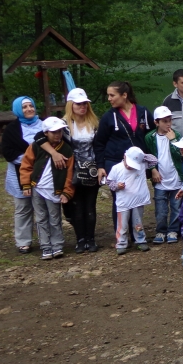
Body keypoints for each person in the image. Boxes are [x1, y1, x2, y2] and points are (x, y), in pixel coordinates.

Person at [94, 82, 153, 225]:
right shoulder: (108, 116)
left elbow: (151, 138)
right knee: (119, 199)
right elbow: (99, 142)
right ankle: (121, 235)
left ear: (124, 95)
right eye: (108, 95)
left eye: (112, 95)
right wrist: (100, 166)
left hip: (137, 164)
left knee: (136, 197)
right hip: (115, 163)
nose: (109, 98)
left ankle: (136, 234)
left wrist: (152, 166)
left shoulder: (143, 112)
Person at [19, 117, 75, 260]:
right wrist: (26, 184)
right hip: (37, 188)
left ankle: (57, 245)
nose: (57, 135)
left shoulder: (67, 149)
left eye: (60, 131)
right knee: (41, 218)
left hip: (54, 189)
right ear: (45, 133)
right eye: (54, 132)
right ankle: (45, 246)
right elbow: (26, 165)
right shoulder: (35, 147)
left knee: (55, 218)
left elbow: (69, 173)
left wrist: (67, 191)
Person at [61, 88, 101, 253]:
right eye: (79, 104)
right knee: (77, 206)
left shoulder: (94, 123)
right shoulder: (64, 125)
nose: (82, 106)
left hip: (91, 169)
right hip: (73, 169)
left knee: (90, 206)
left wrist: (100, 167)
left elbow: (98, 146)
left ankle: (91, 239)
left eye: (85, 103)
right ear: (71, 105)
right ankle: (80, 239)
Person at [3, 96, 44, 254]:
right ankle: (23, 241)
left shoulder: (43, 124)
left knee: (43, 207)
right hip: (19, 172)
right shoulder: (11, 129)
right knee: (23, 207)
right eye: (25, 107)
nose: (29, 109)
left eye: (31, 106)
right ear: (18, 110)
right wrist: (30, 160)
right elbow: (8, 152)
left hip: (43, 172)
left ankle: (45, 239)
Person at [145, 106, 183, 245]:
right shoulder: (150, 137)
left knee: (176, 206)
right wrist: (153, 169)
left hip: (175, 178)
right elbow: (148, 156)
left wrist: (173, 140)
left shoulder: (176, 136)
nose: (168, 124)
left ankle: (173, 229)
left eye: (169, 120)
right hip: (160, 179)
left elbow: (181, 154)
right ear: (157, 122)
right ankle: (160, 230)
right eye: (164, 121)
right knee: (160, 208)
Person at [107, 146, 153, 255]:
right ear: (124, 156)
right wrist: (117, 186)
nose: (129, 166)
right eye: (128, 163)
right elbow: (109, 182)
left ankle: (140, 240)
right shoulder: (116, 168)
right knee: (122, 225)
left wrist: (141, 156)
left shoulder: (141, 165)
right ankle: (121, 243)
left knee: (138, 223)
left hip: (138, 200)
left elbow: (154, 161)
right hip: (124, 201)